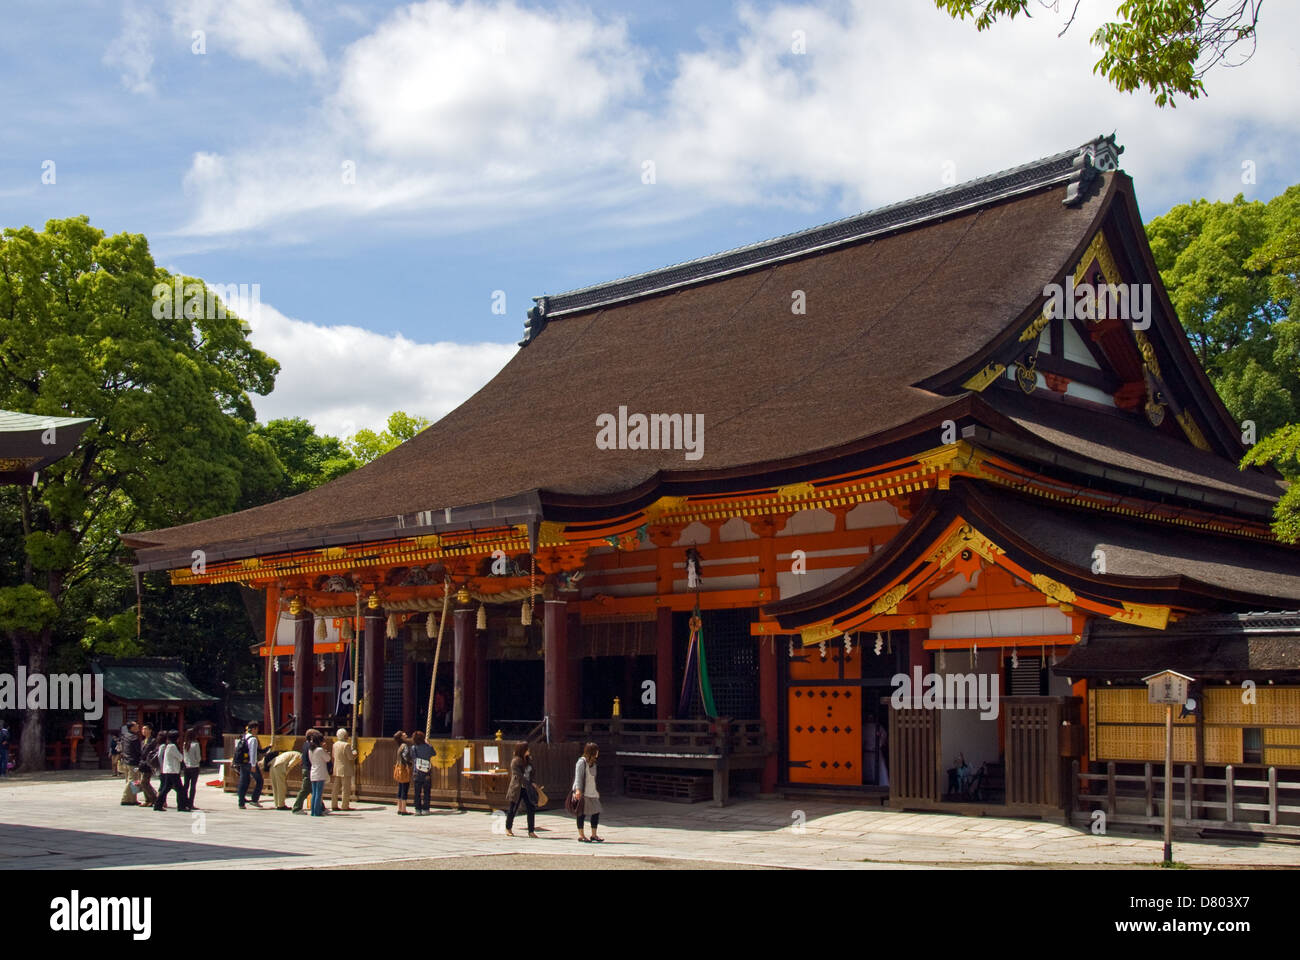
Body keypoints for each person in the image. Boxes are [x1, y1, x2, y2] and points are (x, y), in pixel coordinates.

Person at [505, 742, 538, 838]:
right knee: (513, 808)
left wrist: (532, 782)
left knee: (531, 808)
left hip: (527, 788)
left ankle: (531, 831)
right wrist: (529, 782)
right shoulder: (515, 761)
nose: (529, 750)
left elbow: (532, 772)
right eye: (527, 749)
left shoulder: (529, 760)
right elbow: (518, 775)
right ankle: (508, 828)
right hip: (518, 787)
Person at [573, 742, 603, 842]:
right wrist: (578, 790)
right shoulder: (581, 762)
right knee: (581, 813)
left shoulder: (593, 763)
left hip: (592, 791)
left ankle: (594, 834)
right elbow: (578, 777)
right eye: (596, 751)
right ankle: (581, 835)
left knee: (596, 811)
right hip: (583, 792)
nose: (598, 753)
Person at [153, 731, 190, 812]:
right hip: (173, 771)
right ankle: (181, 806)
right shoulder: (172, 746)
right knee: (180, 789)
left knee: (166, 788)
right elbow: (180, 757)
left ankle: (158, 805)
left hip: (168, 770)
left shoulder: (167, 746)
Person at [235, 722, 265, 809]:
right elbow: (253, 752)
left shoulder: (244, 736)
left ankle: (241, 802)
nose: (257, 731)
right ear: (254, 729)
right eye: (257, 729)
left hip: (243, 762)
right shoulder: (253, 739)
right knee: (259, 781)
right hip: (250, 763)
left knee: (244, 781)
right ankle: (254, 800)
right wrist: (253, 765)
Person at [408, 730, 435, 815]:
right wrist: (428, 745)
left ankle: (418, 809)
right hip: (427, 771)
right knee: (427, 791)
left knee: (417, 792)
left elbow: (412, 757)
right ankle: (426, 809)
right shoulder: (428, 747)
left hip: (417, 771)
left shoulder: (414, 748)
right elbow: (434, 753)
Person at [119, 721, 146, 805]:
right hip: (133, 762)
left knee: (134, 780)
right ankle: (125, 798)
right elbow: (138, 751)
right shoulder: (134, 738)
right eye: (136, 725)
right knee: (133, 780)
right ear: (132, 727)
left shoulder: (125, 736)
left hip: (126, 761)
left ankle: (133, 799)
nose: (138, 726)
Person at [290, 730, 318, 814]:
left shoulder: (305, 744)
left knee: (314, 789)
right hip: (308, 769)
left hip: (306, 768)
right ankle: (296, 807)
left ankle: (321, 806)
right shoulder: (310, 746)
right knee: (305, 789)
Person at [331, 728, 358, 811]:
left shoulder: (335, 744)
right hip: (345, 769)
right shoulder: (346, 745)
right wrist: (355, 753)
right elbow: (350, 757)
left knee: (335, 788)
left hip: (337, 768)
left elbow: (333, 756)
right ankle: (344, 805)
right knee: (345, 789)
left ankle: (334, 804)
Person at [307, 730, 331, 817]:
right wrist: (325, 750)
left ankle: (313, 811)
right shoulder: (320, 750)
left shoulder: (310, 750)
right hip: (320, 773)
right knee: (318, 793)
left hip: (313, 772)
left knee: (314, 793)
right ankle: (317, 812)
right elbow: (327, 758)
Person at [270, 745, 302, 810]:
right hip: (280, 766)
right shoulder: (299, 756)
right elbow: (291, 764)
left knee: (275, 786)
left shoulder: (293, 753)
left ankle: (277, 804)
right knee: (281, 786)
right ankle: (281, 805)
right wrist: (286, 773)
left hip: (273, 764)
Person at [136, 724, 160, 807]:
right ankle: (148, 800)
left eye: (145, 729)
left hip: (149, 764)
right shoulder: (143, 741)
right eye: (142, 729)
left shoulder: (153, 741)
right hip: (142, 764)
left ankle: (154, 799)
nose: (143, 731)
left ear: (150, 730)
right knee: (144, 783)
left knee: (144, 782)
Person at [181, 728, 202, 810]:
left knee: (186, 785)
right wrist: (197, 761)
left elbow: (184, 756)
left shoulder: (185, 744)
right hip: (194, 766)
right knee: (193, 786)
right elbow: (198, 757)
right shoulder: (196, 744)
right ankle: (191, 803)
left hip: (187, 766)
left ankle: (184, 801)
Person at [392, 731, 412, 815]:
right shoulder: (405, 746)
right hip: (404, 768)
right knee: (405, 788)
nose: (405, 734)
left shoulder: (400, 746)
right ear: (401, 737)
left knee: (400, 788)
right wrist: (409, 763)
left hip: (399, 767)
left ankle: (399, 808)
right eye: (403, 734)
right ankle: (403, 809)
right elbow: (405, 756)